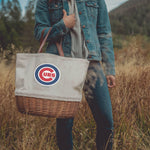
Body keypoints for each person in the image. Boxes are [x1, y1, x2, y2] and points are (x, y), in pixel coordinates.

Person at [34, 0, 116, 150]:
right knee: (65, 122)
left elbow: (104, 33)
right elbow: (39, 32)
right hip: (63, 66)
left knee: (106, 120)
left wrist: (109, 68)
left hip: (92, 65)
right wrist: (62, 25)